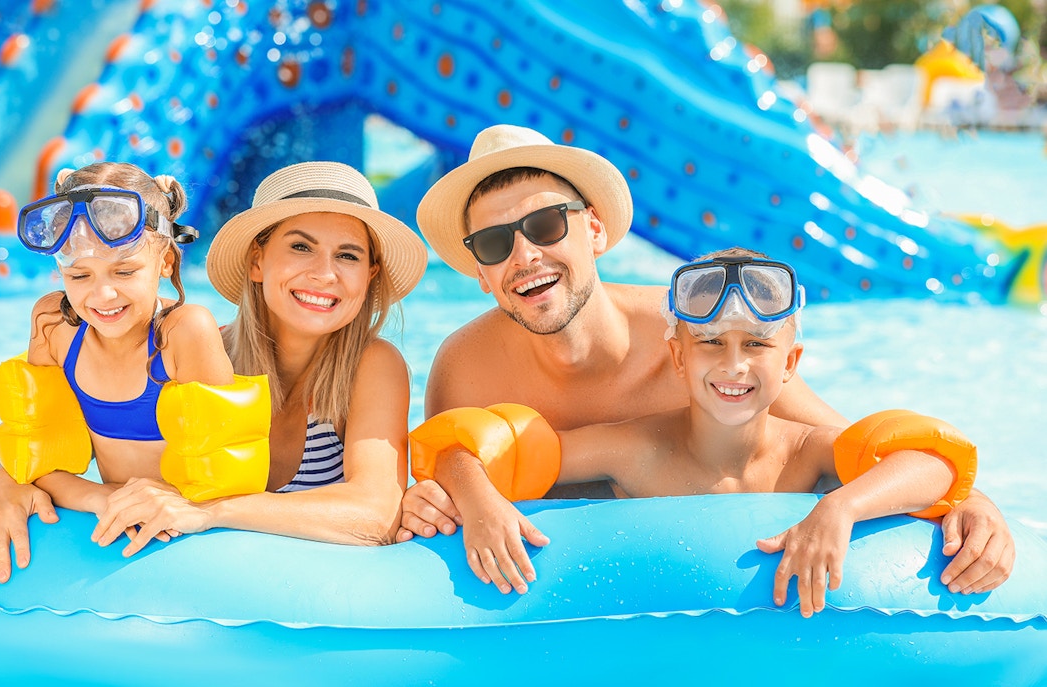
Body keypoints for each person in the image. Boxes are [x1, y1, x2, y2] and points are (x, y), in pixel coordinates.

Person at [401, 124, 1015, 597]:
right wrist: (449, 492)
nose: (525, 254)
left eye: (544, 225)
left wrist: (968, 499)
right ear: (480, 272)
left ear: (592, 229)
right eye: (494, 242)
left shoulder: (703, 334)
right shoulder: (465, 367)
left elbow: (848, 444)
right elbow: (448, 475)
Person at [413, 248, 975, 618]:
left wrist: (839, 510)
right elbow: (495, 450)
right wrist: (478, 497)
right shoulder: (632, 449)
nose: (734, 366)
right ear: (677, 359)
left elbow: (930, 459)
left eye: (756, 344)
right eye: (710, 344)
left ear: (791, 363)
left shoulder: (805, 452)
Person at [87, 160, 428, 554]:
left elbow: (376, 515)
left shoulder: (371, 366)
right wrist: (3, 483)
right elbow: (80, 449)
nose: (325, 274)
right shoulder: (194, 353)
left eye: (348, 256)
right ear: (257, 261)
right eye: (301, 247)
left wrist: (212, 510)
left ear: (369, 274)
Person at [0, 161, 236, 581]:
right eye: (79, 275)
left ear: (165, 261)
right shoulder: (53, 326)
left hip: (189, 533)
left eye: (125, 271)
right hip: (115, 519)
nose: (102, 295)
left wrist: (118, 499)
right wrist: (97, 498)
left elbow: (230, 477)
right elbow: (36, 460)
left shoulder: (186, 332)